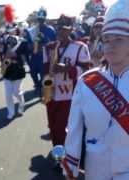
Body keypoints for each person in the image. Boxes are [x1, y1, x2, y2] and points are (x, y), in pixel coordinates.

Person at [63, 0, 129, 179]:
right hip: (95, 169)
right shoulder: (87, 81)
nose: (110, 45)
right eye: (106, 39)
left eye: (119, 40)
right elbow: (74, 128)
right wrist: (70, 167)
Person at [43, 15, 91, 147]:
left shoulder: (80, 47)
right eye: (59, 28)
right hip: (52, 94)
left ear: (71, 30)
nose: (61, 32)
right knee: (53, 127)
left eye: (65, 29)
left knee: (62, 128)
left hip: (69, 94)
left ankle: (65, 158)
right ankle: (57, 156)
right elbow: (45, 70)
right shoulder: (49, 47)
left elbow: (86, 70)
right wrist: (44, 89)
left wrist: (68, 70)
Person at [27, 7, 56, 94]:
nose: (40, 21)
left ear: (45, 19)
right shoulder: (32, 30)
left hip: (45, 56)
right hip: (35, 56)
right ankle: (37, 85)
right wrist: (32, 45)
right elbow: (29, 43)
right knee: (32, 73)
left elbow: (54, 43)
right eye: (39, 19)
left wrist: (44, 40)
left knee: (44, 74)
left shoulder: (50, 30)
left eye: (42, 19)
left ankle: (41, 88)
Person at [2, 23, 28, 119]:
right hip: (7, 69)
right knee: (8, 94)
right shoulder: (6, 41)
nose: (10, 31)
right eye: (8, 30)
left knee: (16, 92)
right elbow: (3, 54)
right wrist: (6, 54)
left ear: (16, 29)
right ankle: (11, 111)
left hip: (18, 69)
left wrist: (16, 55)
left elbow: (25, 56)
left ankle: (21, 105)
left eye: (12, 29)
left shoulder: (23, 41)